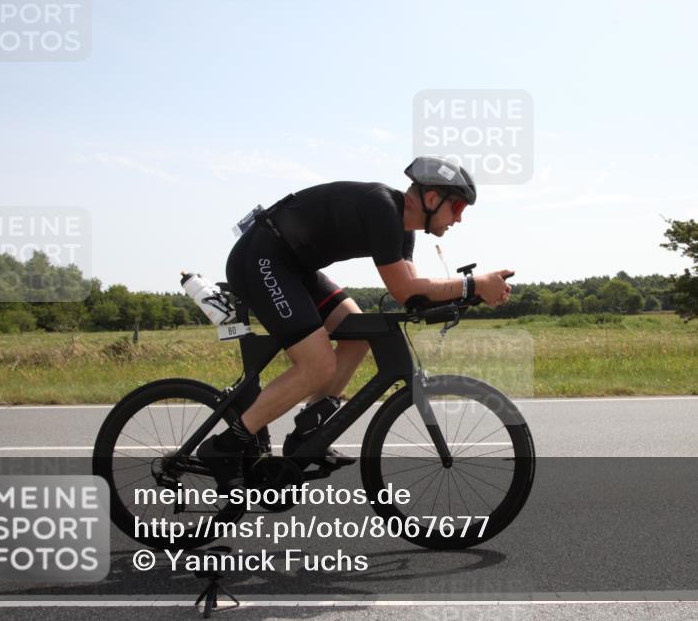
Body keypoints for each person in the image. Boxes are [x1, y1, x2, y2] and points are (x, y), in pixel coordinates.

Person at [198, 156, 514, 489]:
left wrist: (468, 296)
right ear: (432, 199)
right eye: (459, 206)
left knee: (358, 330)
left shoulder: (404, 233)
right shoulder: (383, 208)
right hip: (262, 260)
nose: (460, 218)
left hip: (292, 267)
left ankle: (308, 432)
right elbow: (404, 288)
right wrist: (474, 284)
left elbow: (413, 297)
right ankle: (225, 447)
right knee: (317, 365)